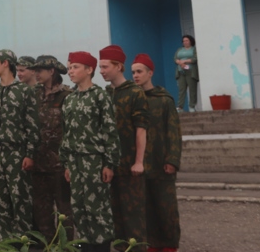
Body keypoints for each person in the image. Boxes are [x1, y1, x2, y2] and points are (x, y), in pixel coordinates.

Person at [62, 51, 119, 252]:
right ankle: (85, 245)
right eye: (69, 68)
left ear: (89, 70)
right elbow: (66, 133)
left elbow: (110, 131)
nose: (70, 71)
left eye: (75, 67)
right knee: (78, 208)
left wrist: (109, 163)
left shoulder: (100, 96)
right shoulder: (69, 99)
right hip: (75, 162)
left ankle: (102, 247)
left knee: (97, 208)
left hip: (95, 161)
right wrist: (67, 164)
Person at [0, 49, 39, 239]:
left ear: (5, 63)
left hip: (17, 153)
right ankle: (4, 242)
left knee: (20, 201)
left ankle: (22, 242)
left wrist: (30, 154)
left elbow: (32, 125)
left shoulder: (24, 91)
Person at [99, 45, 149, 251]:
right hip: (109, 165)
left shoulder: (135, 93)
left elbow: (141, 130)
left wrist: (138, 161)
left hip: (128, 165)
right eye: (99, 67)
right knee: (114, 216)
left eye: (104, 66)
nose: (101, 71)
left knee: (133, 216)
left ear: (119, 66)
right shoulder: (103, 94)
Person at [132, 54, 182, 252]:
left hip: (161, 164)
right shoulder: (134, 99)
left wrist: (172, 159)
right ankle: (151, 245)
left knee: (166, 208)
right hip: (140, 164)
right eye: (133, 72)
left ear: (150, 73)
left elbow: (174, 131)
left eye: (139, 71)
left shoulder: (164, 100)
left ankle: (169, 245)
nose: (135, 75)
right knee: (146, 209)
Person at [30, 55, 73, 242]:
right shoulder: (33, 94)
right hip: (38, 163)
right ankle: (48, 245)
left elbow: (72, 130)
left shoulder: (67, 95)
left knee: (65, 211)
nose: (36, 74)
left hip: (59, 165)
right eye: (35, 70)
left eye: (40, 70)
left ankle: (66, 246)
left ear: (52, 71)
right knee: (41, 211)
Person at [174, 35, 198, 112]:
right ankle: (180, 107)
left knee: (192, 89)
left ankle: (192, 106)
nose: (185, 42)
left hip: (191, 71)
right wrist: (181, 63)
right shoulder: (179, 49)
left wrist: (185, 61)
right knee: (181, 89)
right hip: (181, 71)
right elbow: (175, 58)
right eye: (183, 41)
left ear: (190, 41)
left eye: (186, 40)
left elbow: (195, 58)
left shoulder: (194, 49)